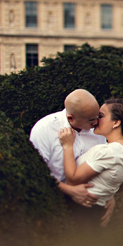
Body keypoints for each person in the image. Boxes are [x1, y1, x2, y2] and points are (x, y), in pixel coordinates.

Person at [29, 89, 115, 226]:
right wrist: (70, 191)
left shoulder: (98, 130)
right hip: (53, 200)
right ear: (71, 118)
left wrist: (109, 194)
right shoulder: (44, 129)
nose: (96, 122)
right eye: (91, 120)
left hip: (90, 206)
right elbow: (35, 172)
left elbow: (103, 164)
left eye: (98, 116)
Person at [57, 98, 123, 228]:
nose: (95, 119)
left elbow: (73, 180)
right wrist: (108, 196)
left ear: (116, 122)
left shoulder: (107, 151)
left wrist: (67, 145)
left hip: (81, 212)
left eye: (100, 116)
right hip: (96, 210)